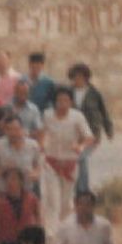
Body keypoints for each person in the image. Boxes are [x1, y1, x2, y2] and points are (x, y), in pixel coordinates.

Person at [39, 85, 94, 227]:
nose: (62, 104)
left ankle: (64, 231)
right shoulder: (48, 115)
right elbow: (42, 134)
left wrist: (80, 147)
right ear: (55, 102)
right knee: (53, 201)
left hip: (69, 164)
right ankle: (51, 234)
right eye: (59, 100)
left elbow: (89, 137)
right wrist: (43, 144)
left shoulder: (77, 117)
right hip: (51, 163)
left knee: (66, 203)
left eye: (66, 100)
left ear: (71, 102)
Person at [66, 62, 113, 199]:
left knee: (81, 157)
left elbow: (104, 112)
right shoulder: (68, 92)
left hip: (92, 135)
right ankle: (80, 191)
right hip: (74, 135)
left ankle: (82, 190)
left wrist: (108, 130)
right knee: (79, 159)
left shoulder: (94, 94)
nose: (78, 80)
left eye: (80, 77)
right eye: (75, 77)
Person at [0, 164, 43, 244]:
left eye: (14, 179)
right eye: (7, 179)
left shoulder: (32, 199)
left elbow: (39, 220)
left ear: (21, 181)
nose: (10, 182)